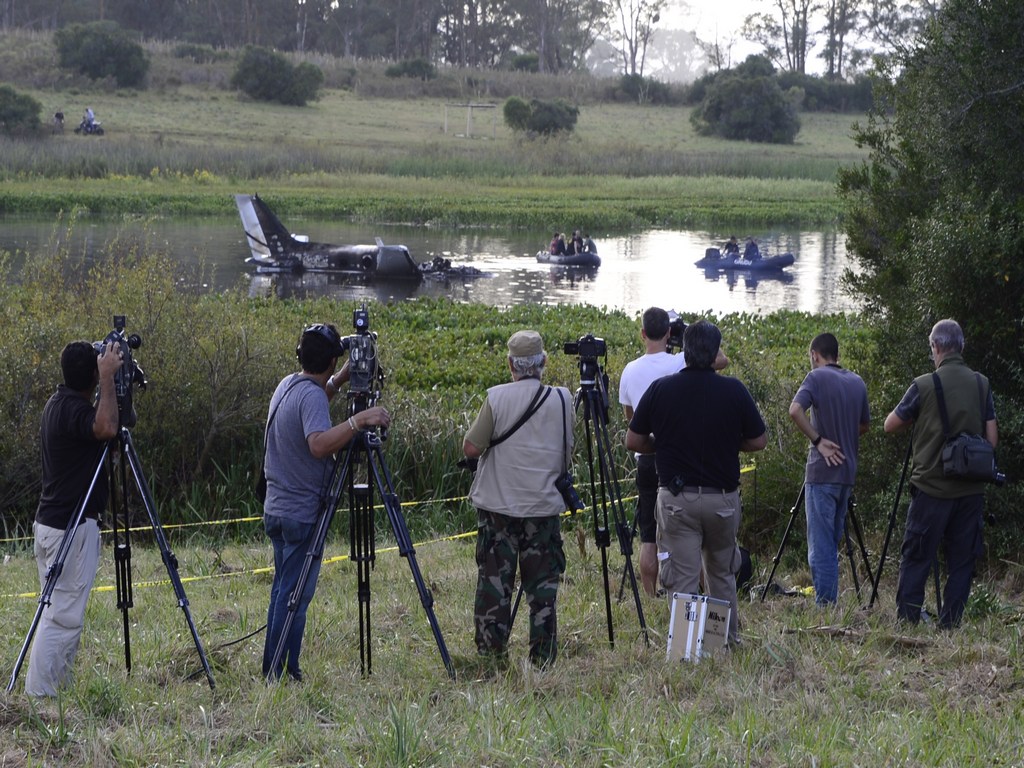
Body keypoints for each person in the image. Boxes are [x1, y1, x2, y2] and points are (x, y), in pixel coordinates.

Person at [262, 323, 391, 681]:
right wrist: (358, 420)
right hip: (300, 513)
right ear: (332, 359)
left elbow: (316, 398)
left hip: (277, 508)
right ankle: (282, 672)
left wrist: (342, 377)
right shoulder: (312, 397)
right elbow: (318, 443)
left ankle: (274, 667)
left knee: (282, 590)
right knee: (295, 597)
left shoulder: (289, 385)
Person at [625, 320, 766, 646]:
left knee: (682, 580)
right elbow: (758, 441)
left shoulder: (662, 389)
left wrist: (662, 445)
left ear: (684, 351)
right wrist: (730, 443)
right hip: (722, 499)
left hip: (677, 500)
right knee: (721, 576)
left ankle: (686, 650)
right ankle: (721, 645)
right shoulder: (734, 390)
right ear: (716, 353)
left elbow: (633, 439)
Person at [464, 330, 572, 666]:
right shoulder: (563, 399)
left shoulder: (496, 398)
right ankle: (542, 659)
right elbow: (568, 454)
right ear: (543, 362)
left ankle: (491, 657)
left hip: (499, 509)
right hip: (543, 509)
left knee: (495, 585)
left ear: (511, 364)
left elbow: (470, 447)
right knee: (543, 590)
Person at [883, 319, 997, 628]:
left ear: (936, 347)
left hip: (931, 489)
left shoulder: (924, 384)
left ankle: (907, 620)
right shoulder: (981, 383)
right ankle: (950, 625)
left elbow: (890, 425)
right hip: (971, 489)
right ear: (962, 347)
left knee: (917, 557)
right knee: (962, 562)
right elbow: (992, 439)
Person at [25, 339, 122, 697]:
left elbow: (104, 429)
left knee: (59, 611)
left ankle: (54, 690)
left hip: (53, 523)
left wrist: (107, 381)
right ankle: (42, 697)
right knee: (62, 617)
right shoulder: (73, 411)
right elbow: (107, 428)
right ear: (93, 377)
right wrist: (110, 377)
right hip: (70, 527)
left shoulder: (59, 404)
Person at [618, 308, 729, 596]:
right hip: (680, 457)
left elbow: (630, 418)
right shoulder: (681, 360)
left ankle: (649, 594)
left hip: (646, 457)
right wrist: (691, 333)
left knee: (648, 534)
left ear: (642, 334)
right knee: (693, 536)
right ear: (668, 333)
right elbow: (720, 360)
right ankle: (704, 590)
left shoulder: (630, 369)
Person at [788, 333, 870, 606]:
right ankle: (830, 602)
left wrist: (819, 440)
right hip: (847, 474)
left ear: (814, 355)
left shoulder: (816, 377)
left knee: (820, 547)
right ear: (837, 354)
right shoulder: (857, 382)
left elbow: (795, 410)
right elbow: (864, 426)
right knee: (831, 543)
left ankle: (825, 607)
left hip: (822, 473)